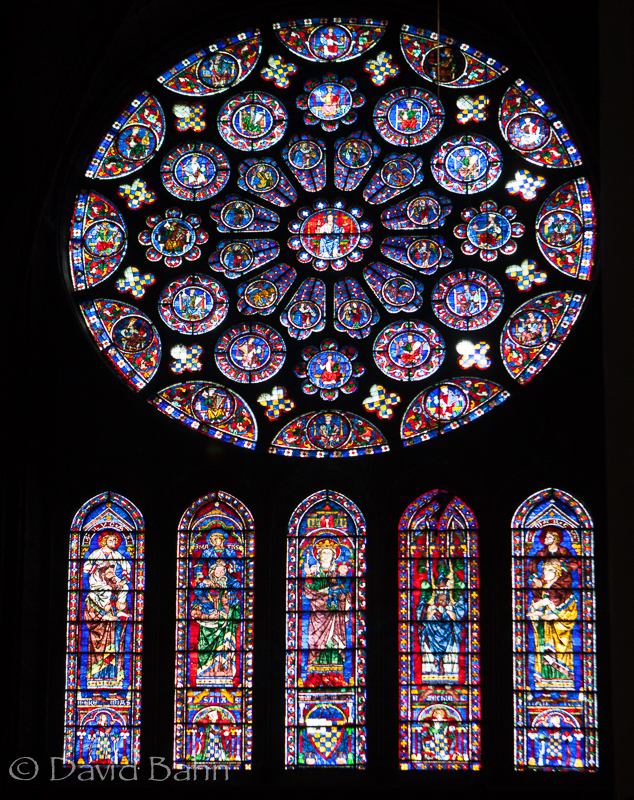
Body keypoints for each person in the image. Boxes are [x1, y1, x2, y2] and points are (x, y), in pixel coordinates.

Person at [302, 540, 352, 685]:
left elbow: (345, 593)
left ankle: (335, 675)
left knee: (333, 643)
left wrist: (341, 597)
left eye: (329, 553)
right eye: (323, 553)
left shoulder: (337, 574)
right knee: (316, 643)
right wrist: (308, 576)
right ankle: (314, 676)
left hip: (334, 616)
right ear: (318, 555)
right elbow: (308, 592)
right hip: (316, 614)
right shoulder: (314, 572)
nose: (326, 556)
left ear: (333, 556)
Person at [527, 559, 577, 686]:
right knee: (545, 659)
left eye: (550, 570)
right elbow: (535, 607)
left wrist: (555, 615)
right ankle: (545, 687)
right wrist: (537, 611)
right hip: (544, 630)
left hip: (559, 631)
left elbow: (571, 611)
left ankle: (563, 690)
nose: (546, 573)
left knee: (558, 658)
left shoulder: (563, 591)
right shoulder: (542, 589)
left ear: (557, 572)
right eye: (544, 570)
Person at [191, 559, 241, 681]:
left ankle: (225, 676)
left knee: (224, 653)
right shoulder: (203, 589)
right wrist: (207, 616)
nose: (222, 574)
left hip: (224, 627)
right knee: (205, 654)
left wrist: (225, 612)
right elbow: (194, 609)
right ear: (212, 572)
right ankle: (203, 677)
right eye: (219, 571)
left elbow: (235, 606)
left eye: (224, 571)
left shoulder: (229, 589)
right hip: (207, 627)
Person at [416, 567, 466, 678]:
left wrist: (448, 611)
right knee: (427, 644)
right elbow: (425, 619)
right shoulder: (430, 607)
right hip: (432, 636)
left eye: (444, 599)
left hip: (448, 636)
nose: (442, 601)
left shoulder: (450, 607)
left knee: (451, 649)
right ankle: (431, 675)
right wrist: (433, 610)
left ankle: (449, 675)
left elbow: (455, 618)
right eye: (440, 599)